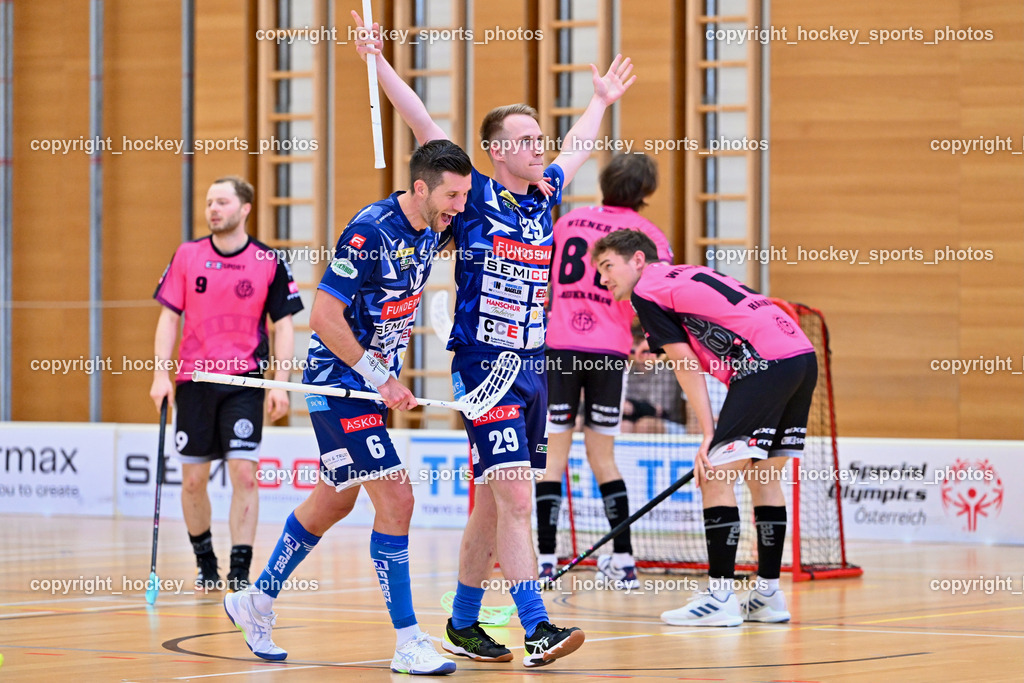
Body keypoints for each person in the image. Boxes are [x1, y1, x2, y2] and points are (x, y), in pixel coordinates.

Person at [353, 10, 634, 668]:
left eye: (540, 137)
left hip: (534, 366)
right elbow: (423, 123)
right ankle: (536, 625)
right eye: (527, 139)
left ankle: (461, 620)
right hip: (484, 366)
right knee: (513, 491)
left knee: (491, 498)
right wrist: (378, 61)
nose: (540, 146)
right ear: (496, 150)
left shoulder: (544, 196)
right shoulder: (473, 195)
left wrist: (599, 102)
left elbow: (580, 149)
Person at [223, 140, 473, 675]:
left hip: (364, 385)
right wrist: (380, 378)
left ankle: (255, 601)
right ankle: (408, 641)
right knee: (397, 499)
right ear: (421, 188)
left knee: (333, 502)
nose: (460, 206)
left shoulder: (433, 225)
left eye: (465, 195)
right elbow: (323, 317)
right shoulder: (370, 231)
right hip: (339, 383)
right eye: (452, 195)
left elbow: (485, 210)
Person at [591, 228, 817, 627]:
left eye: (608, 267)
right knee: (764, 478)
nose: (602, 279)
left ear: (638, 261)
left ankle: (720, 598)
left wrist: (709, 435)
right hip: (799, 354)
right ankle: (768, 594)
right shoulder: (683, 274)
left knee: (714, 474)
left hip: (761, 361)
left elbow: (685, 364)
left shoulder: (647, 291)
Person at [150, 176, 303, 593]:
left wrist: (280, 384)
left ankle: (239, 570)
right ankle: (205, 564)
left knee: (245, 475)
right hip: (194, 382)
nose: (213, 209)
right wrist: (160, 374)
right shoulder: (188, 255)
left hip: (244, 381)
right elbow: (169, 317)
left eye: (222, 201)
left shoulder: (268, 261)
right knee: (194, 481)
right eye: (208, 202)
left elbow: (284, 325)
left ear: (245, 208)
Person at [537, 154, 673, 589]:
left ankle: (543, 561)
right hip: (609, 353)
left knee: (551, 460)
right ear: (645, 193)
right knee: (603, 458)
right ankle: (624, 560)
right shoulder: (648, 235)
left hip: (558, 347)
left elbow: (540, 276)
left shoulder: (570, 220)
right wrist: (647, 343)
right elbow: (659, 293)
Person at [620, 320, 687, 434]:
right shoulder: (628, 371)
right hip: (632, 421)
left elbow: (659, 411)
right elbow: (623, 407)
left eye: (644, 342)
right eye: (636, 343)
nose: (641, 349)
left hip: (669, 424)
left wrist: (634, 407)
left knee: (645, 425)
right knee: (624, 425)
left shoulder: (666, 372)